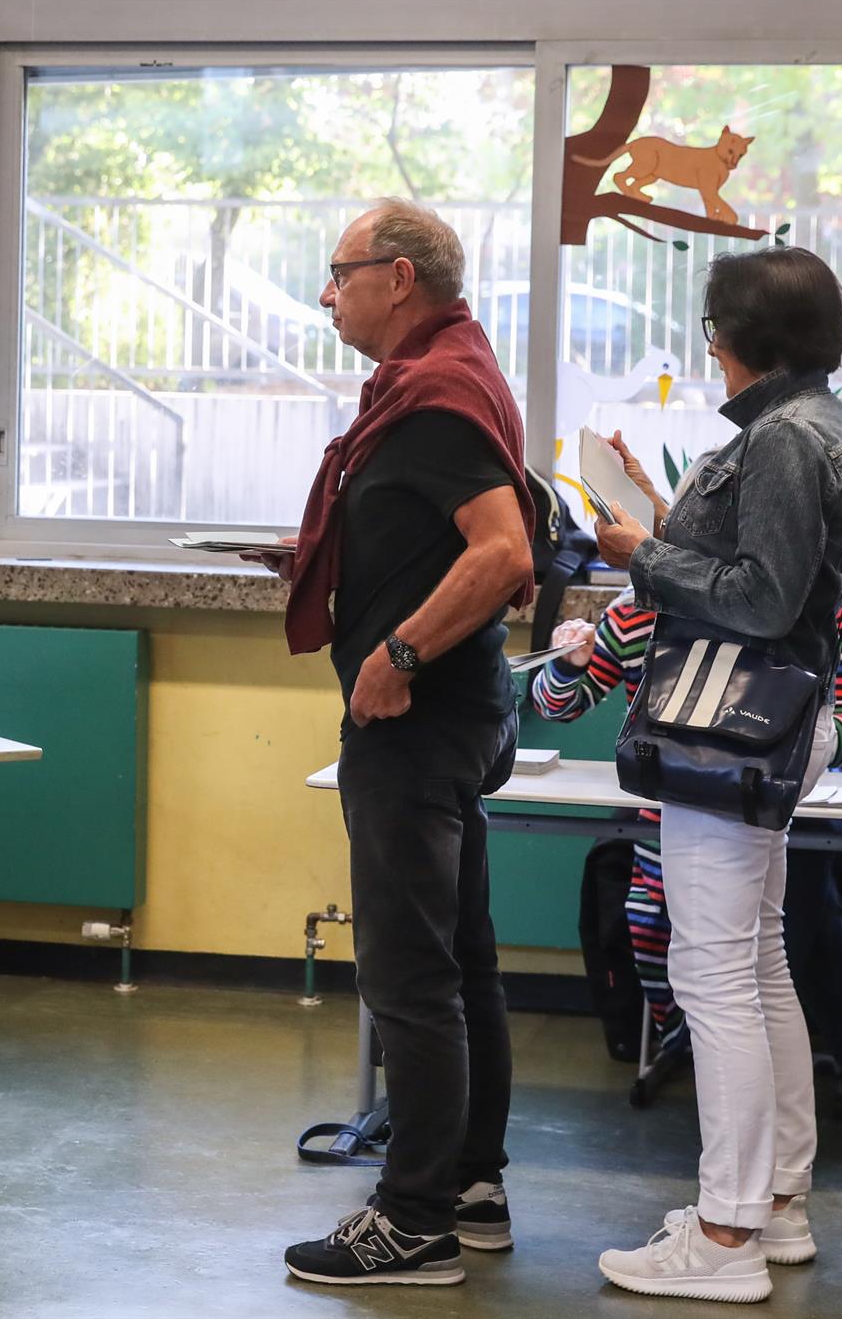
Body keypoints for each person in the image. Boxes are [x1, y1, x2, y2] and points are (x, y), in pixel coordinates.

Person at [259, 199, 535, 1287]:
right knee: (459, 959)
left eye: (340, 272)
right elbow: (436, 534)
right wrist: (328, 551)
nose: (328, 293)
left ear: (400, 278)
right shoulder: (443, 379)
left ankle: (412, 1219)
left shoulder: (434, 397)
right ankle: (469, 1184)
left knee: (408, 971)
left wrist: (399, 655)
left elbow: (503, 552)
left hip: (420, 720)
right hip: (457, 715)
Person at [590, 245, 842, 1303]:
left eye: (710, 331)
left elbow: (756, 598)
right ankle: (776, 1201)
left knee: (714, 975)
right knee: (754, 964)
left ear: (737, 337)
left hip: (732, 728)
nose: (706, 350)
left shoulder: (784, 440)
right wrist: (661, 514)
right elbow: (765, 566)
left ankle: (723, 1234)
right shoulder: (815, 425)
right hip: (767, 726)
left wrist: (639, 554)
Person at [535, 597, 842, 1164]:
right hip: (677, 812)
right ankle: (814, 1106)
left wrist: (796, 737)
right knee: (758, 959)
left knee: (794, 931)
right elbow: (556, 705)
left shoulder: (814, 611)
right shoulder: (641, 611)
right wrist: (567, 661)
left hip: (777, 806)